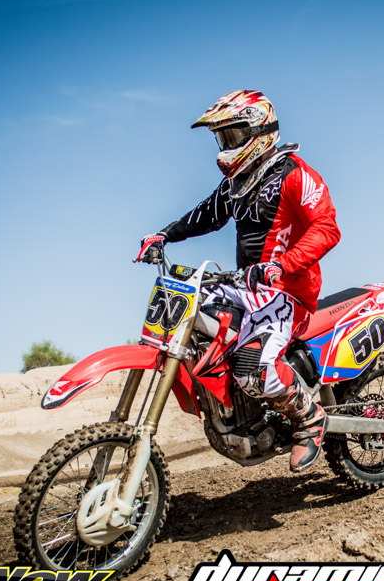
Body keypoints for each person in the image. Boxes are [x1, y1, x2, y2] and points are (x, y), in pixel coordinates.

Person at [137, 90, 341, 472]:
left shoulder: (294, 174)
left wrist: (282, 265)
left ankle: (310, 418)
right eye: (222, 138)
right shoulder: (238, 182)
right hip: (247, 287)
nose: (225, 148)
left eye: (232, 136)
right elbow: (206, 215)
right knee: (193, 312)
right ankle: (234, 410)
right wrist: (164, 235)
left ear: (258, 131)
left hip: (287, 291)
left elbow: (326, 228)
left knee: (252, 369)